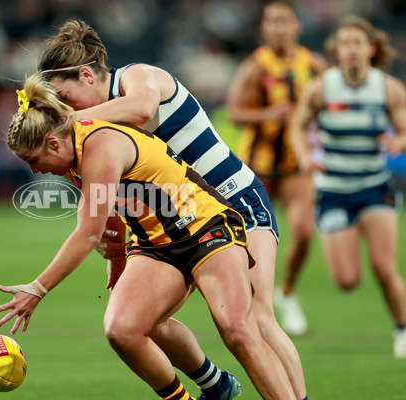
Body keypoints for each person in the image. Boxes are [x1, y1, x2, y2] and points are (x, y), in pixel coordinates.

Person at [38, 19, 308, 399]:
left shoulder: (137, 77)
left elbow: (145, 108)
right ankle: (216, 385)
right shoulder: (97, 131)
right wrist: (116, 256)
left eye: (65, 98)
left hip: (236, 199)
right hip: (184, 223)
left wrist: (69, 120)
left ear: (86, 75)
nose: (66, 110)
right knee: (140, 323)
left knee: (254, 321)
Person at [290, 15, 406, 358]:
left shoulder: (387, 88)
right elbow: (297, 125)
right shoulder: (321, 87)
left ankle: (402, 329)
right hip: (333, 189)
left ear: (370, 48)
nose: (352, 50)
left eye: (358, 43)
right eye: (345, 44)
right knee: (346, 281)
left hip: (373, 186)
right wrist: (304, 156)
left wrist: (400, 142)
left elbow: (403, 128)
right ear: (336, 50)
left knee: (385, 267)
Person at [226, 1, 327, 336]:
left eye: (285, 21)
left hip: (297, 164)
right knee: (243, 240)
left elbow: (330, 104)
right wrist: (270, 114)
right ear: (264, 29)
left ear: (296, 26)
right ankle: (250, 303)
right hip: (258, 167)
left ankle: (287, 292)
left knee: (302, 232)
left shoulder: (313, 64)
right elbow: (235, 112)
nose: (279, 28)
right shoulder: (255, 67)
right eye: (272, 22)